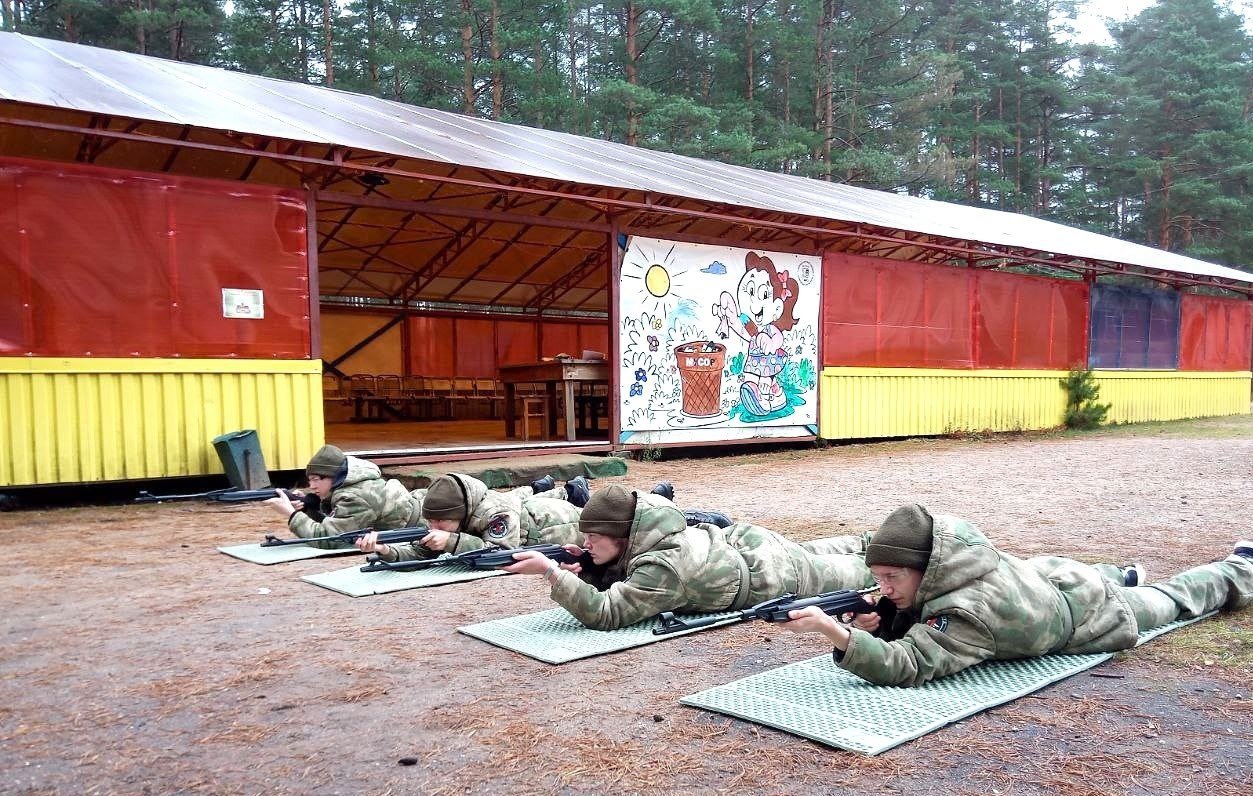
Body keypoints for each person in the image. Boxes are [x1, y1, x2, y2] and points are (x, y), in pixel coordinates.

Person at [778, 504, 1253, 687]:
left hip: (1091, 611)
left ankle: (1238, 569)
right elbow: (916, 613)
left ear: (929, 569)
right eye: (876, 577)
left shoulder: (967, 615)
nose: (882, 588)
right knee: (1116, 579)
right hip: (1048, 574)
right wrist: (886, 616)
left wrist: (833, 632)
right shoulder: (960, 555)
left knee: (1175, 598)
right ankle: (1122, 573)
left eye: (891, 578)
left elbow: (911, 664)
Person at [502, 484, 874, 630]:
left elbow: (607, 613)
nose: (587, 542)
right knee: (826, 549)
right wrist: (588, 568)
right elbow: (628, 577)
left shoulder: (664, 569)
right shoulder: (654, 533)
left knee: (863, 569)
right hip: (743, 543)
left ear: (624, 536)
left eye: (595, 537)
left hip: (772, 573)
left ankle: (894, 549)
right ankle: (870, 539)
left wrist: (552, 572)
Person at [355, 472, 583, 561]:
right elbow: (419, 551)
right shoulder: (448, 519)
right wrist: (385, 550)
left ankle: (574, 492)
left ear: (459, 514)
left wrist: (452, 542)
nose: (433, 526)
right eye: (431, 521)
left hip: (556, 523)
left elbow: (501, 553)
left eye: (439, 521)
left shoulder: (496, 513)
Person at [265, 444, 424, 548]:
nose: (312, 486)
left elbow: (329, 538)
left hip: (426, 522)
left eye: (316, 479)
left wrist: (291, 514)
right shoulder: (351, 485)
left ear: (333, 477)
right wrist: (308, 506)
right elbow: (338, 519)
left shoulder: (355, 497)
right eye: (310, 480)